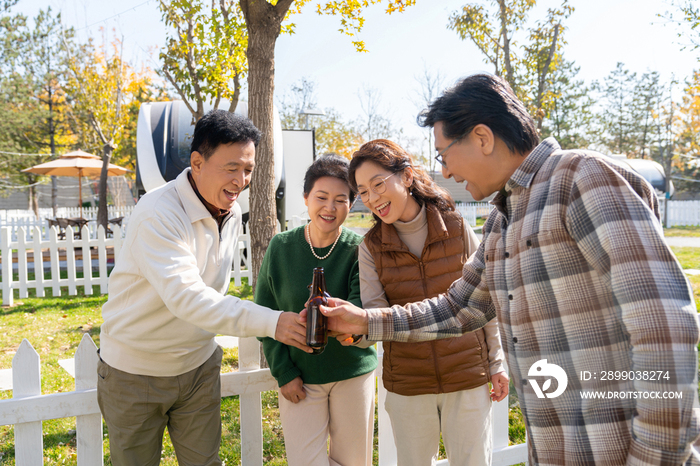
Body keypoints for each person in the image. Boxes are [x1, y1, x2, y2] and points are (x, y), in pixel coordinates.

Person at [320, 74, 700, 465]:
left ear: (482, 137)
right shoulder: (502, 225)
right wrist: (365, 321)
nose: (445, 172)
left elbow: (663, 326)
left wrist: (656, 456)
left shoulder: (579, 179)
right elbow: (456, 308)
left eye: (443, 154)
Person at [98, 110, 310, 466]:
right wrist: (274, 322)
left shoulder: (229, 210)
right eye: (231, 168)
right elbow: (188, 298)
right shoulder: (158, 212)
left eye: (248, 170)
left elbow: (211, 291)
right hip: (134, 373)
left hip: (197, 369)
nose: (241, 180)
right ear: (197, 162)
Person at [347, 139, 507, 465]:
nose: (373, 198)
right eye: (363, 192)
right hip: (409, 384)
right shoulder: (371, 248)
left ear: (406, 176)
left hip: (467, 376)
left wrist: (496, 363)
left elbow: (484, 301)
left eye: (378, 184)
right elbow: (377, 315)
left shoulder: (458, 227)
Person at [255, 154, 377, 466]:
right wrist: (284, 371)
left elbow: (361, 310)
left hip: (352, 373)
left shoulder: (357, 249)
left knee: (354, 462)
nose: (330, 208)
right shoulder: (281, 247)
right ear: (306, 197)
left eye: (341, 199)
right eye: (321, 197)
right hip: (301, 379)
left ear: (351, 204)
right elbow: (264, 314)